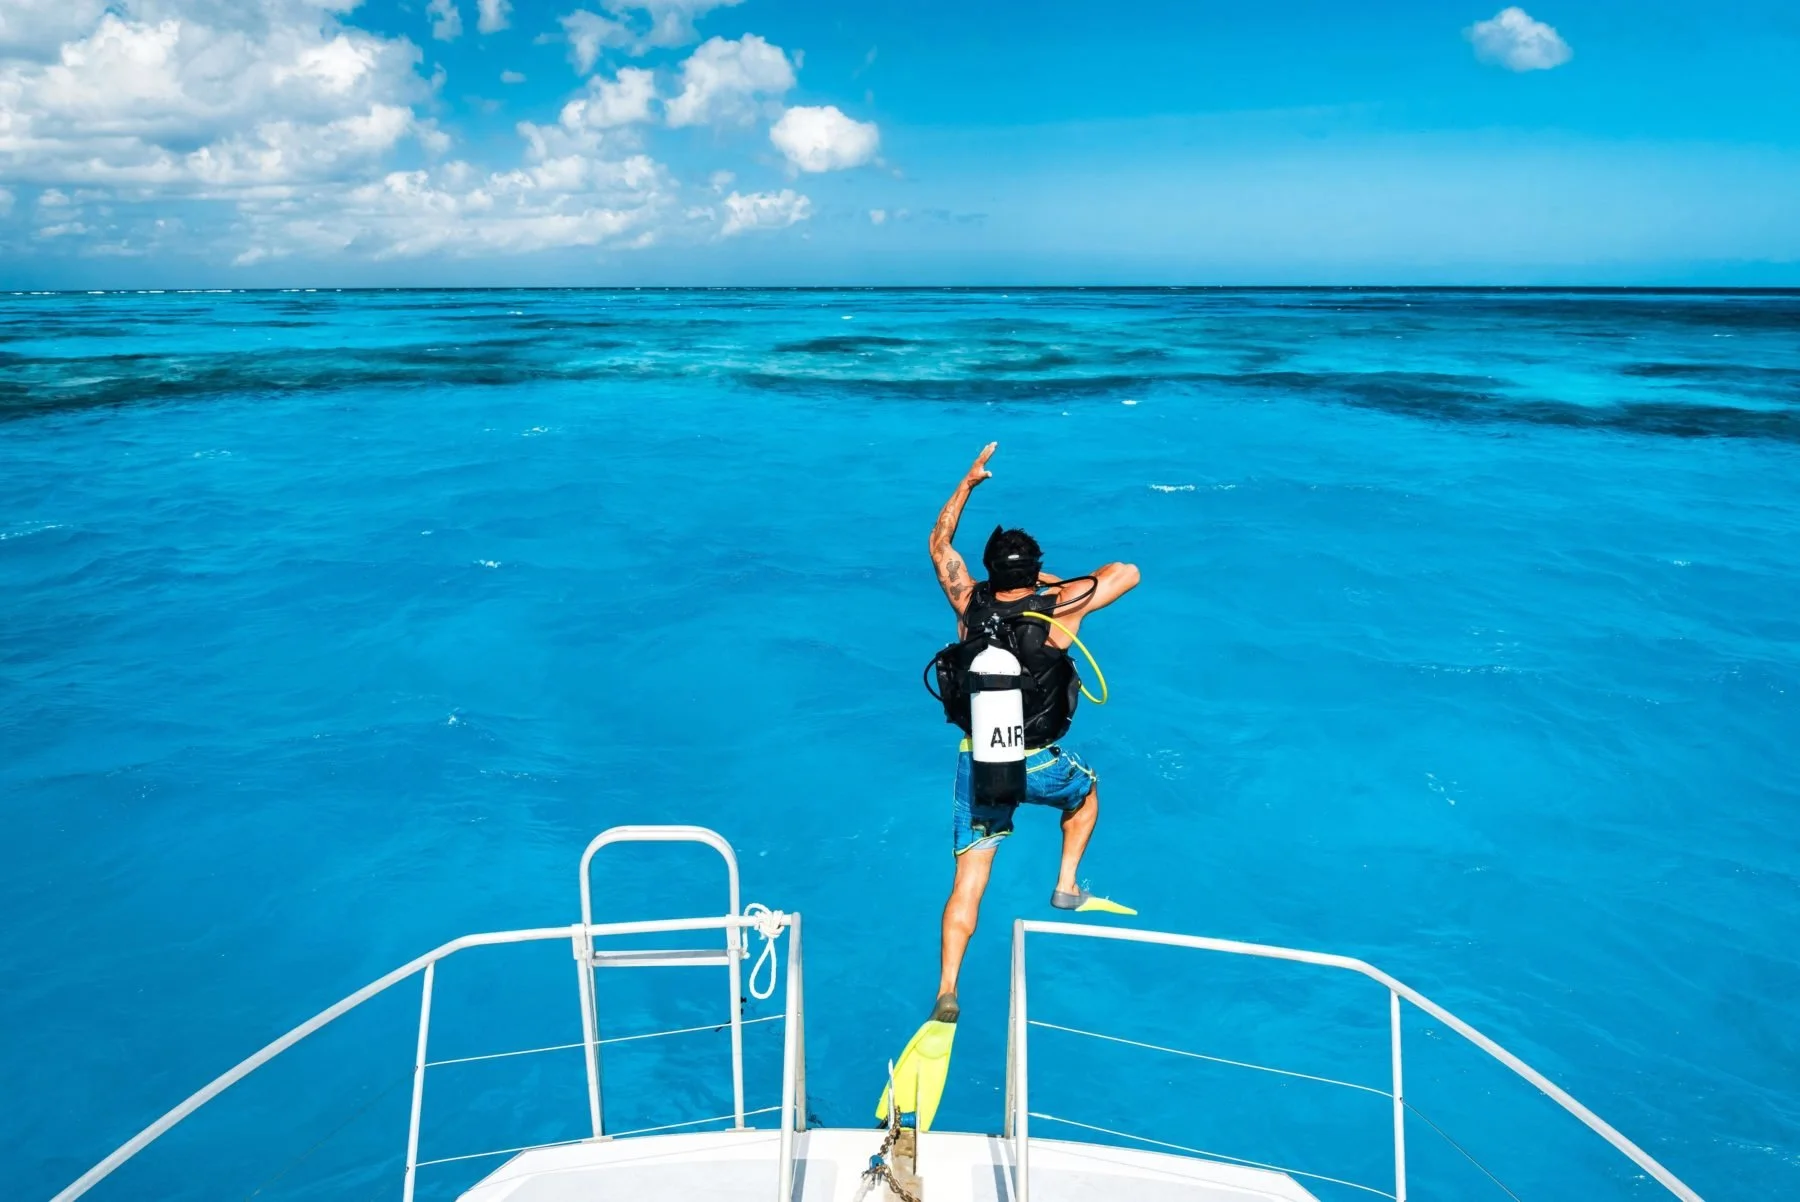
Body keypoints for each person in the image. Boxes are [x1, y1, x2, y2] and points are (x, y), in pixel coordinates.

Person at [927, 442, 1140, 1023]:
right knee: (1088, 792)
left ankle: (948, 987)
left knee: (969, 875)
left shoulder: (967, 600)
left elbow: (939, 545)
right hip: (1037, 762)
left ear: (990, 572)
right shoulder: (1061, 609)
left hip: (978, 765)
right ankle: (1067, 884)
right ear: (1034, 571)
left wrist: (967, 484)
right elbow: (1127, 572)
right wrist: (1056, 584)